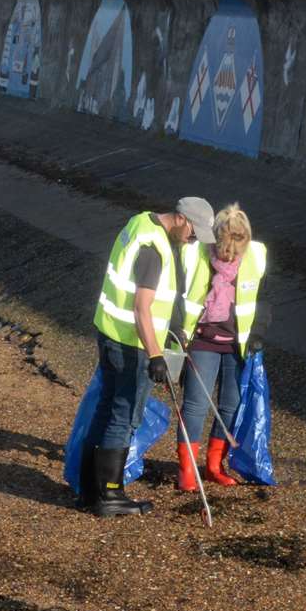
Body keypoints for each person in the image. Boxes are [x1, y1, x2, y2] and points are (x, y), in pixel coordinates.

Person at [81, 197, 214, 517]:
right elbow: (142, 308)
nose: (194, 241)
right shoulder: (156, 250)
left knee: (106, 408)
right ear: (182, 219)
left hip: (110, 332)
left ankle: (89, 488)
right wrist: (156, 355)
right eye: (195, 234)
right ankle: (110, 494)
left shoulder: (140, 222)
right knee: (125, 416)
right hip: (132, 344)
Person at [176, 203, 267, 490]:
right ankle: (186, 470)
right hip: (202, 338)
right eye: (224, 248)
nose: (229, 255)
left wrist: (258, 332)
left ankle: (214, 465)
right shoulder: (197, 253)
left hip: (237, 343)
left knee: (231, 405)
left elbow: (261, 300)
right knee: (195, 405)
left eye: (235, 249)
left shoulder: (256, 256)